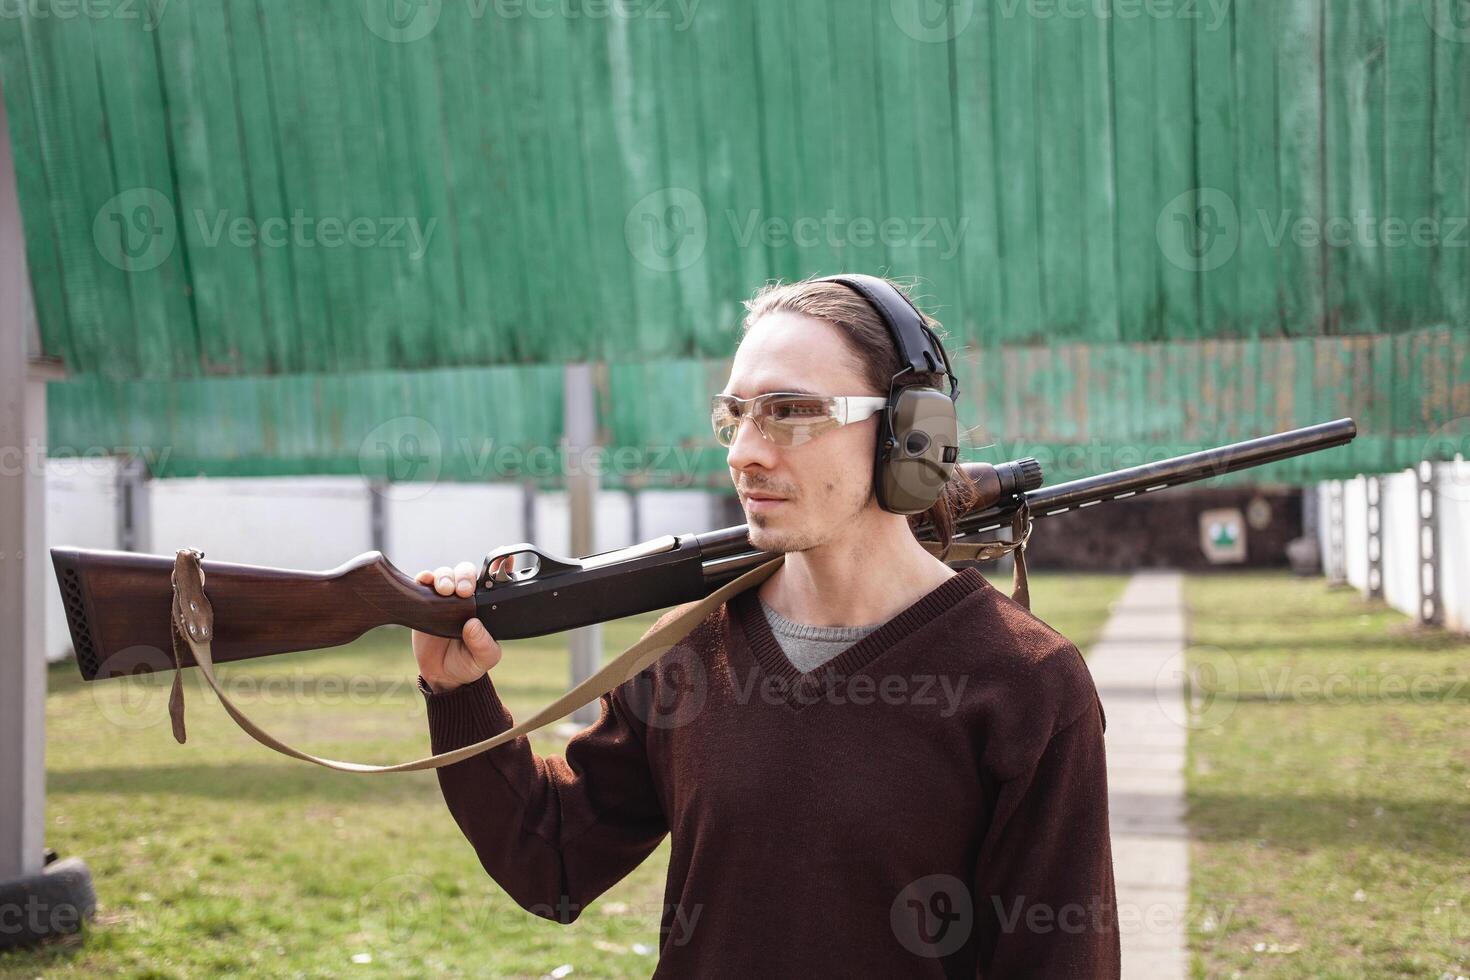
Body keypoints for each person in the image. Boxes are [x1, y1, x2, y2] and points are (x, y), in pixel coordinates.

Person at [411, 275, 1120, 977]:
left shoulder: (1026, 684)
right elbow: (552, 862)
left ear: (911, 433)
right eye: (736, 415)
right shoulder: (687, 647)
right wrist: (459, 695)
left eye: (790, 412)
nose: (743, 451)